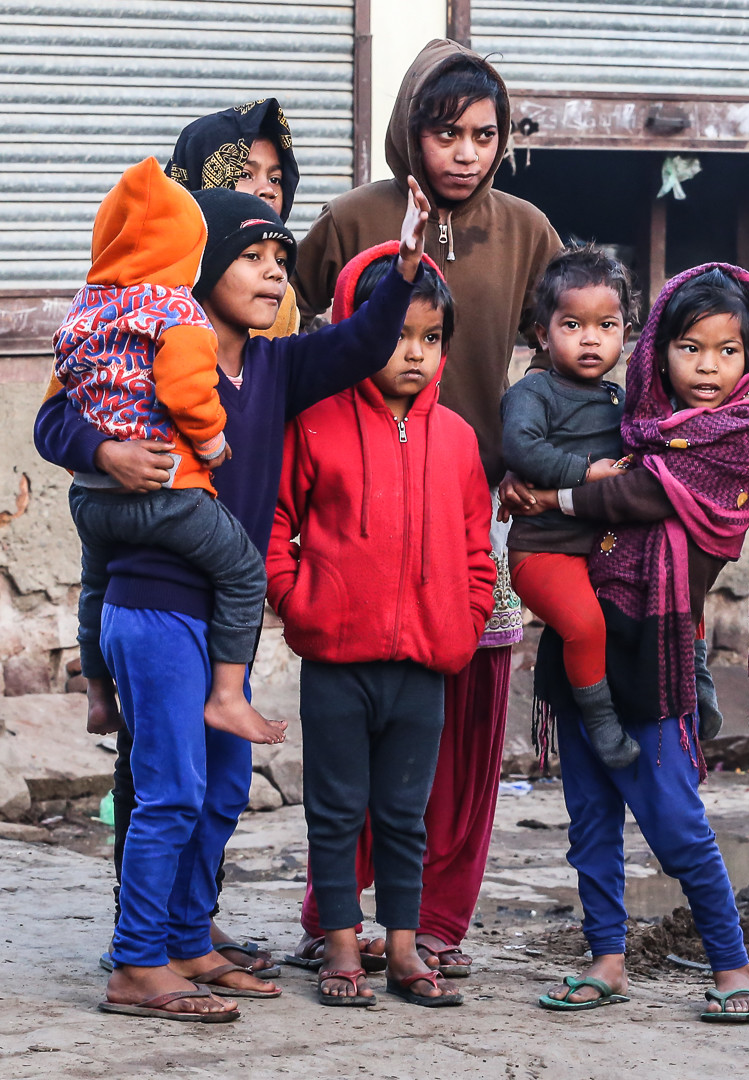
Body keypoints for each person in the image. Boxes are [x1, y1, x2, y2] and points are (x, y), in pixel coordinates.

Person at [32, 179, 432, 1021]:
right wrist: (106, 451)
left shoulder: (278, 366)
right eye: (251, 257)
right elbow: (54, 424)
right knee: (169, 790)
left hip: (222, 627)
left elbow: (359, 344)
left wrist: (403, 268)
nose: (272, 274)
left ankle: (185, 938)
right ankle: (136, 964)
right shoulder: (144, 350)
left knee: (217, 791)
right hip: (153, 603)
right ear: (202, 265)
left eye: (280, 260)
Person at [289, 38, 560, 979]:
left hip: (471, 509)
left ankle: (436, 920)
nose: (465, 153)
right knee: (353, 725)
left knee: (465, 726)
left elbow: (574, 352)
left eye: (485, 135)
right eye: (446, 132)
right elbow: (282, 337)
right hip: (355, 503)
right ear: (412, 129)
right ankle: (337, 918)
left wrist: (538, 460)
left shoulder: (527, 231)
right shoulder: (352, 218)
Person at [521, 265, 749, 1022]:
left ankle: (730, 966)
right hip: (585, 639)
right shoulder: (628, 423)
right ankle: (607, 959)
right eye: (689, 347)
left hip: (657, 650)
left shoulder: (738, 441)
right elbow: (550, 448)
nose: (707, 368)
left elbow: (639, 494)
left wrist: (552, 494)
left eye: (726, 352)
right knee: (589, 823)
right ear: (658, 350)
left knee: (677, 825)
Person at [269, 242, 494, 1007]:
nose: (416, 355)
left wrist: (462, 626)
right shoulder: (317, 421)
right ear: (354, 327)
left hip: (424, 666)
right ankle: (339, 946)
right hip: (336, 660)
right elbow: (277, 521)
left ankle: (403, 951)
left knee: (404, 816)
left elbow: (476, 549)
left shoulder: (459, 440)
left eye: (432, 339)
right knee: (334, 813)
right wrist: (295, 600)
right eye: (399, 334)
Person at [53, 157, 282, 750]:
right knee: (243, 569)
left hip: (89, 500)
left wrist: (96, 452)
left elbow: (66, 383)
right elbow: (185, 390)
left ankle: (99, 694)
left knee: (95, 587)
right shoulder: (176, 312)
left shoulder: (86, 308)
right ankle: (230, 696)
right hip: (165, 491)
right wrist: (209, 441)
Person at [500, 245, 638, 768]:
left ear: (625, 332)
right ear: (542, 334)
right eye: (572, 325)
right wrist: (585, 472)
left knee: (670, 586)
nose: (590, 339)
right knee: (585, 627)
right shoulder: (534, 393)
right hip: (544, 550)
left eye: (606, 325)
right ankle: (601, 725)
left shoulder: (619, 400)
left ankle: (694, 680)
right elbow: (520, 448)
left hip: (599, 548)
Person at [166, 97, 302, 339]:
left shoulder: (279, 295)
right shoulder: (150, 287)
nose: (268, 190)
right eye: (246, 174)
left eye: (275, 179)